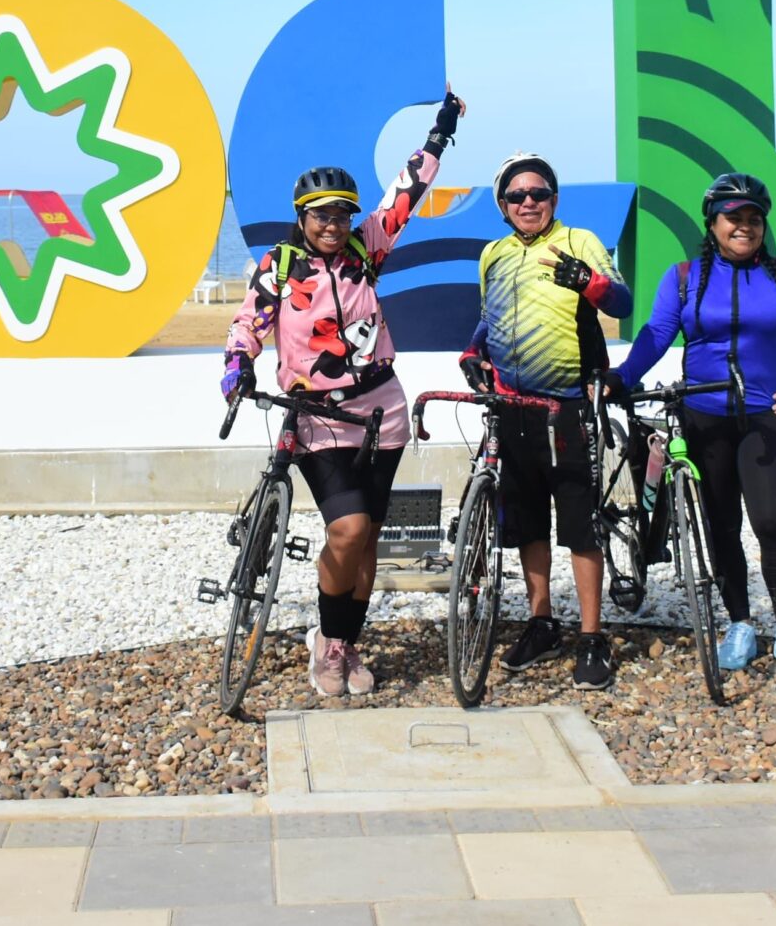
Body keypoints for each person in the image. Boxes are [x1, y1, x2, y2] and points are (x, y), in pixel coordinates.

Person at [223, 91, 464, 697]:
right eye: (321, 215)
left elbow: (404, 195)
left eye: (342, 214)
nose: (333, 225)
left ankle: (345, 645)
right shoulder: (279, 267)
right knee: (349, 529)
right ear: (301, 217)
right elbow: (249, 324)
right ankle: (328, 646)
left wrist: (439, 135)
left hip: (382, 411)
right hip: (317, 418)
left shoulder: (366, 251)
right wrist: (236, 368)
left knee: (368, 540)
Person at [614, 172, 776, 683]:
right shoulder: (683, 278)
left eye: (753, 219)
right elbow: (654, 337)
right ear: (713, 224)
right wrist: (621, 378)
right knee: (722, 527)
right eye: (733, 218)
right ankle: (739, 622)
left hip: (765, 417)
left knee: (770, 523)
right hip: (703, 418)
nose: (745, 227)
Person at [461, 151, 632, 690]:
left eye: (538, 194)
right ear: (503, 205)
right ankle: (542, 622)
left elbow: (622, 303)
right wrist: (472, 352)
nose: (528, 202)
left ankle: (592, 636)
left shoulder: (580, 240)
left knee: (580, 525)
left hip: (569, 407)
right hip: (513, 406)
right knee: (528, 522)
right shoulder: (493, 253)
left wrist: (588, 281)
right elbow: (490, 320)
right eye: (516, 196)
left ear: (553, 200)